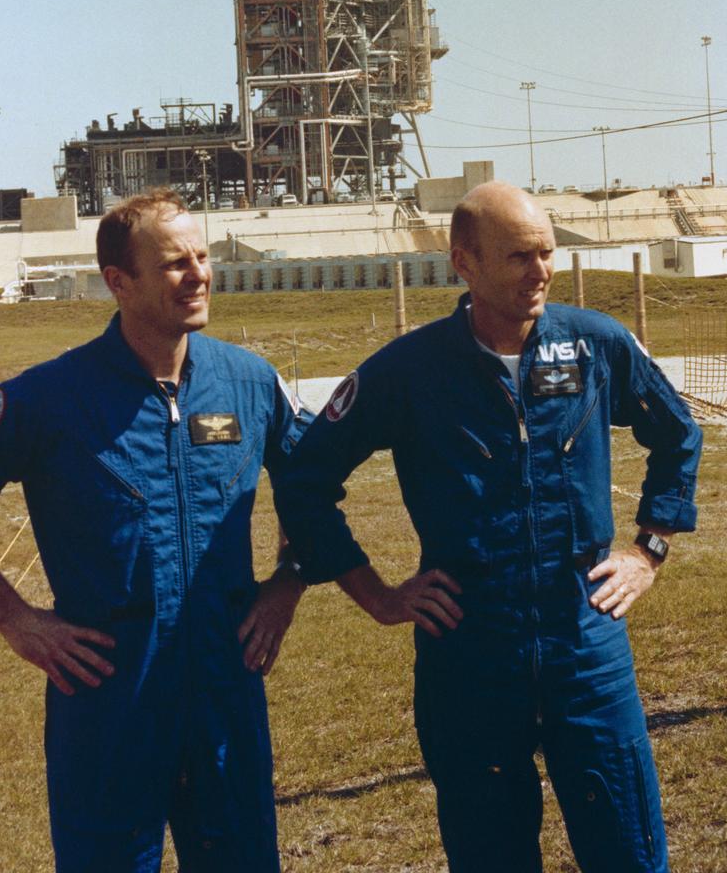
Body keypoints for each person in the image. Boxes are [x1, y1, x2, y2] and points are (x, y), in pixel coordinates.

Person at [274, 181, 702, 873]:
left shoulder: (593, 345)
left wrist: (648, 550)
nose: (539, 272)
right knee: (489, 854)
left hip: (584, 645)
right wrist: (376, 595)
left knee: (629, 849)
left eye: (546, 252)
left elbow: (678, 435)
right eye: (517, 257)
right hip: (468, 655)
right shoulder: (410, 371)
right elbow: (303, 476)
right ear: (463, 263)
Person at [0, 188, 311, 873]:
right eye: (175, 264)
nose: (198, 275)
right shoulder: (49, 398)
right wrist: (16, 620)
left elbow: (312, 480)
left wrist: (289, 583)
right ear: (119, 282)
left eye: (203, 257)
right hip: (108, 692)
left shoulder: (248, 382)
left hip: (224, 686)